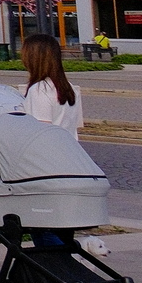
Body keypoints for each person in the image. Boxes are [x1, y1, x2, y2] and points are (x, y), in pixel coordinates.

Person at [20, 34, 106, 255]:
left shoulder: (39, 91)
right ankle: (68, 270)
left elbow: (41, 134)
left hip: (47, 168)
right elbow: (74, 128)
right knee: (61, 224)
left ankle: (70, 260)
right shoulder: (69, 89)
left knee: (40, 224)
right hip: (70, 162)